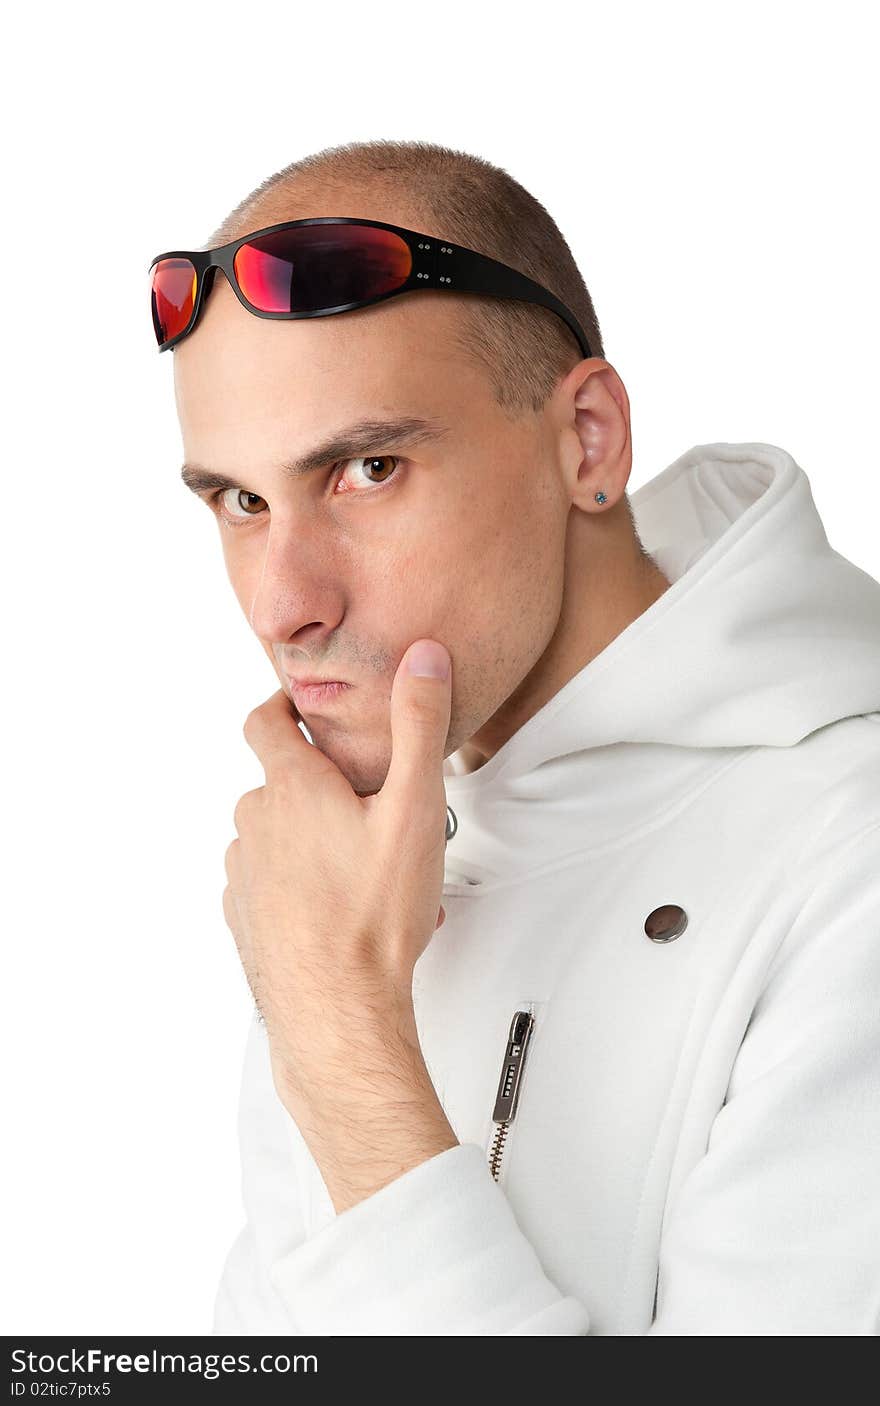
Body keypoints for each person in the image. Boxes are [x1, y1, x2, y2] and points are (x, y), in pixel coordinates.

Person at [150, 139, 880, 1336]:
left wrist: (343, 1049)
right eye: (240, 500)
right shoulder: (345, 869)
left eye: (366, 468)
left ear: (585, 441)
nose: (285, 604)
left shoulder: (845, 865)